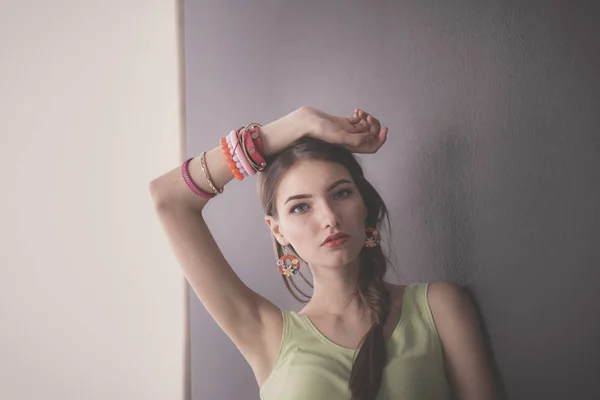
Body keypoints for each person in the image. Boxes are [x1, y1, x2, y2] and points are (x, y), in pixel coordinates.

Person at [149, 106, 497, 399]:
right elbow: (169, 198)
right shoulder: (266, 334)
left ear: (364, 205)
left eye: (341, 194)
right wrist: (296, 123)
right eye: (301, 207)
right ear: (277, 229)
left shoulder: (438, 307)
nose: (329, 218)